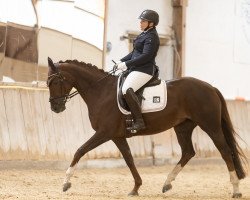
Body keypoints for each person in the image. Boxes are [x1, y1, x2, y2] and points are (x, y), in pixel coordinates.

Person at [116, 9, 160, 132]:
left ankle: (139, 122)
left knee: (126, 89)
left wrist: (126, 64)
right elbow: (135, 52)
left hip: (145, 70)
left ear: (151, 23)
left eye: (143, 21)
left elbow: (145, 56)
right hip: (136, 68)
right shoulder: (144, 34)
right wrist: (121, 61)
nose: (140, 23)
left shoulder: (152, 37)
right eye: (141, 21)